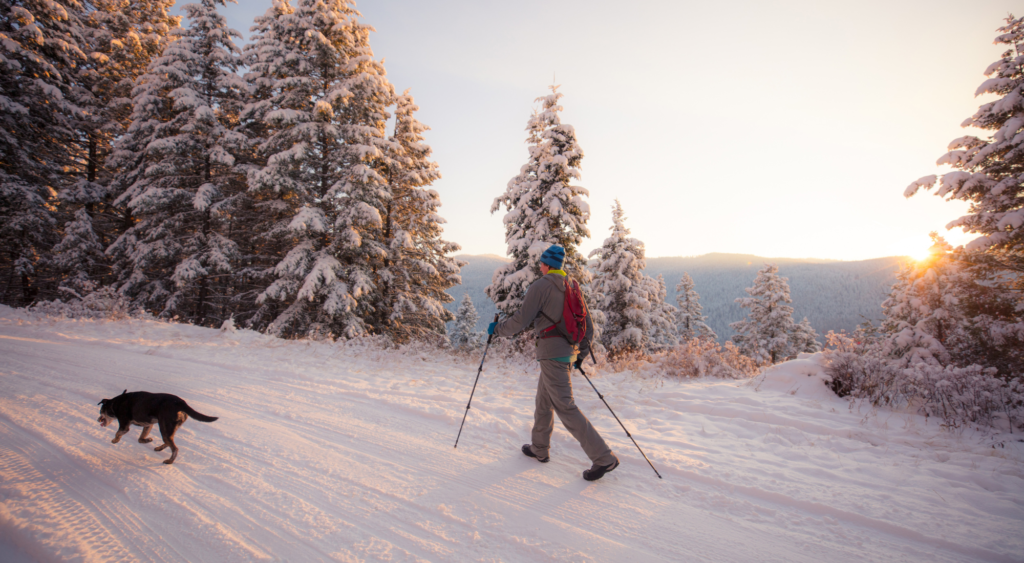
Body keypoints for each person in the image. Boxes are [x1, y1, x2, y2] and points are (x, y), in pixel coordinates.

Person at [488, 244, 620, 481]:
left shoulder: (540, 286)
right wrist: (579, 355)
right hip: (566, 352)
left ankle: (603, 457)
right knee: (544, 398)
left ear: (547, 264)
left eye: (541, 263)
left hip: (551, 352)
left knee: (565, 406)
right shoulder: (572, 285)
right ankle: (539, 447)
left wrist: (497, 329)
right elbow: (588, 326)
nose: (539, 266)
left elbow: (520, 320)